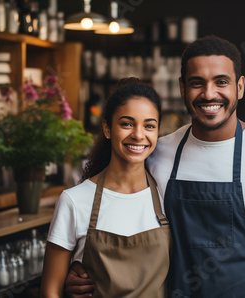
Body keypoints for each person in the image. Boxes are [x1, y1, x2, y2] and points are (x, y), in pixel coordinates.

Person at [65, 35, 245, 298]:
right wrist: (83, 266)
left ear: (240, 87)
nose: (209, 94)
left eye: (221, 82)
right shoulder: (155, 154)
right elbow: (112, 215)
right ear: (182, 88)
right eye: (197, 83)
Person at [41, 78, 170, 298]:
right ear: (107, 128)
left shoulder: (167, 193)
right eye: (127, 123)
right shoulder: (74, 200)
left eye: (149, 125)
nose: (138, 135)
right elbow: (50, 291)